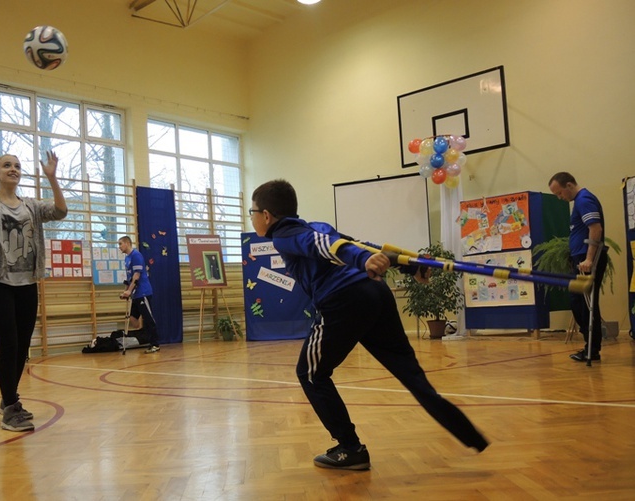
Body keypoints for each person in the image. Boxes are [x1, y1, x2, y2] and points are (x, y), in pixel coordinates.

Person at [249, 179, 489, 470]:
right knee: (410, 373)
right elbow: (358, 245)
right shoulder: (317, 225)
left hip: (343, 301)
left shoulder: (283, 234)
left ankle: (350, 448)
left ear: (266, 215)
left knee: (311, 374)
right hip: (375, 294)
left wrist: (362, 258)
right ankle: (469, 433)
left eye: (253, 212)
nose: (252, 218)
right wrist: (410, 263)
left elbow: (330, 247)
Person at [0, 137, 68, 432]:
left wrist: (52, 178)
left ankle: (8, 398)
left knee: (22, 346)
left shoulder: (31, 206)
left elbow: (60, 212)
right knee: (8, 343)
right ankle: (10, 405)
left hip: (26, 283)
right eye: (7, 165)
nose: (13, 169)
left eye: (17, 166)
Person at [548, 172, 607, 362]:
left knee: (585, 303)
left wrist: (589, 259)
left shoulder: (584, 199)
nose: (560, 198)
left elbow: (595, 228)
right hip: (580, 258)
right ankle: (590, 345)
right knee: (577, 300)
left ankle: (592, 349)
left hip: (587, 259)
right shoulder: (579, 201)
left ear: (569, 186)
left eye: (560, 193)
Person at [118, 236, 160, 353]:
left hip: (143, 292)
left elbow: (137, 276)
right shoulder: (127, 259)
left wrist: (129, 291)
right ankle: (143, 338)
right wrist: (126, 292)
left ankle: (155, 344)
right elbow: (129, 278)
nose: (119, 247)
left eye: (121, 244)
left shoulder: (136, 256)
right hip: (135, 294)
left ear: (127, 243)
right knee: (133, 320)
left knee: (148, 319)